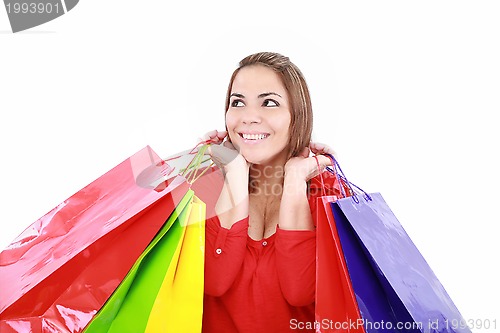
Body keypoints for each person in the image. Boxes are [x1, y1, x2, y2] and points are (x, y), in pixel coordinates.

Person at [200, 52, 342, 333]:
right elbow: (214, 281)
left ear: (296, 115)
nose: (249, 117)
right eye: (238, 102)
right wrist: (235, 175)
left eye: (269, 103)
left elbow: (300, 291)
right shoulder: (203, 186)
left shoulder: (330, 194)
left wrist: (295, 182)